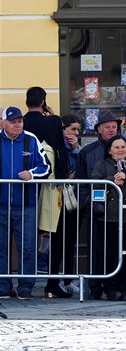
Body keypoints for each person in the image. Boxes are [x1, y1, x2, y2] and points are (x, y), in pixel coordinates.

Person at [0, 107, 50, 300]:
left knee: (28, 246)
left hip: (26, 204)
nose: (18, 124)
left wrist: (32, 174)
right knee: (1, 246)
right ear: (3, 123)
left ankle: (25, 286)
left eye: (20, 121)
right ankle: (3, 286)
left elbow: (46, 166)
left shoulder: (31, 139)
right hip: (1, 204)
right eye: (13, 121)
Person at [75, 110, 120, 300]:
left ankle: (113, 286)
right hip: (94, 210)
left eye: (114, 127)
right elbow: (81, 182)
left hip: (117, 209)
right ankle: (95, 286)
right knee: (95, 250)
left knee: (115, 249)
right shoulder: (88, 151)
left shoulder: (122, 149)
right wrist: (87, 203)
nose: (111, 130)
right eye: (107, 127)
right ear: (99, 129)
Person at [91, 135, 126, 301]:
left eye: (123, 147)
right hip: (108, 217)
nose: (121, 150)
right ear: (109, 150)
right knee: (109, 254)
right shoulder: (102, 165)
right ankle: (111, 288)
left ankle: (125, 288)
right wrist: (112, 180)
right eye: (117, 147)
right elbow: (94, 183)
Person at [38, 116, 74, 298]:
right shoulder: (48, 147)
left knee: (60, 243)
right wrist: (64, 180)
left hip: (58, 201)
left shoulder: (56, 146)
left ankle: (53, 283)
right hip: (54, 201)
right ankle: (52, 283)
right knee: (56, 243)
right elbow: (49, 176)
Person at [58, 114, 83, 295]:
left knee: (71, 240)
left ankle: (68, 278)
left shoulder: (77, 149)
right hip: (59, 198)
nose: (75, 133)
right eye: (72, 129)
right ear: (63, 128)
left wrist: (77, 149)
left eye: (78, 130)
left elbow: (82, 166)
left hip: (74, 198)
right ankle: (53, 279)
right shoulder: (58, 146)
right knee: (58, 240)